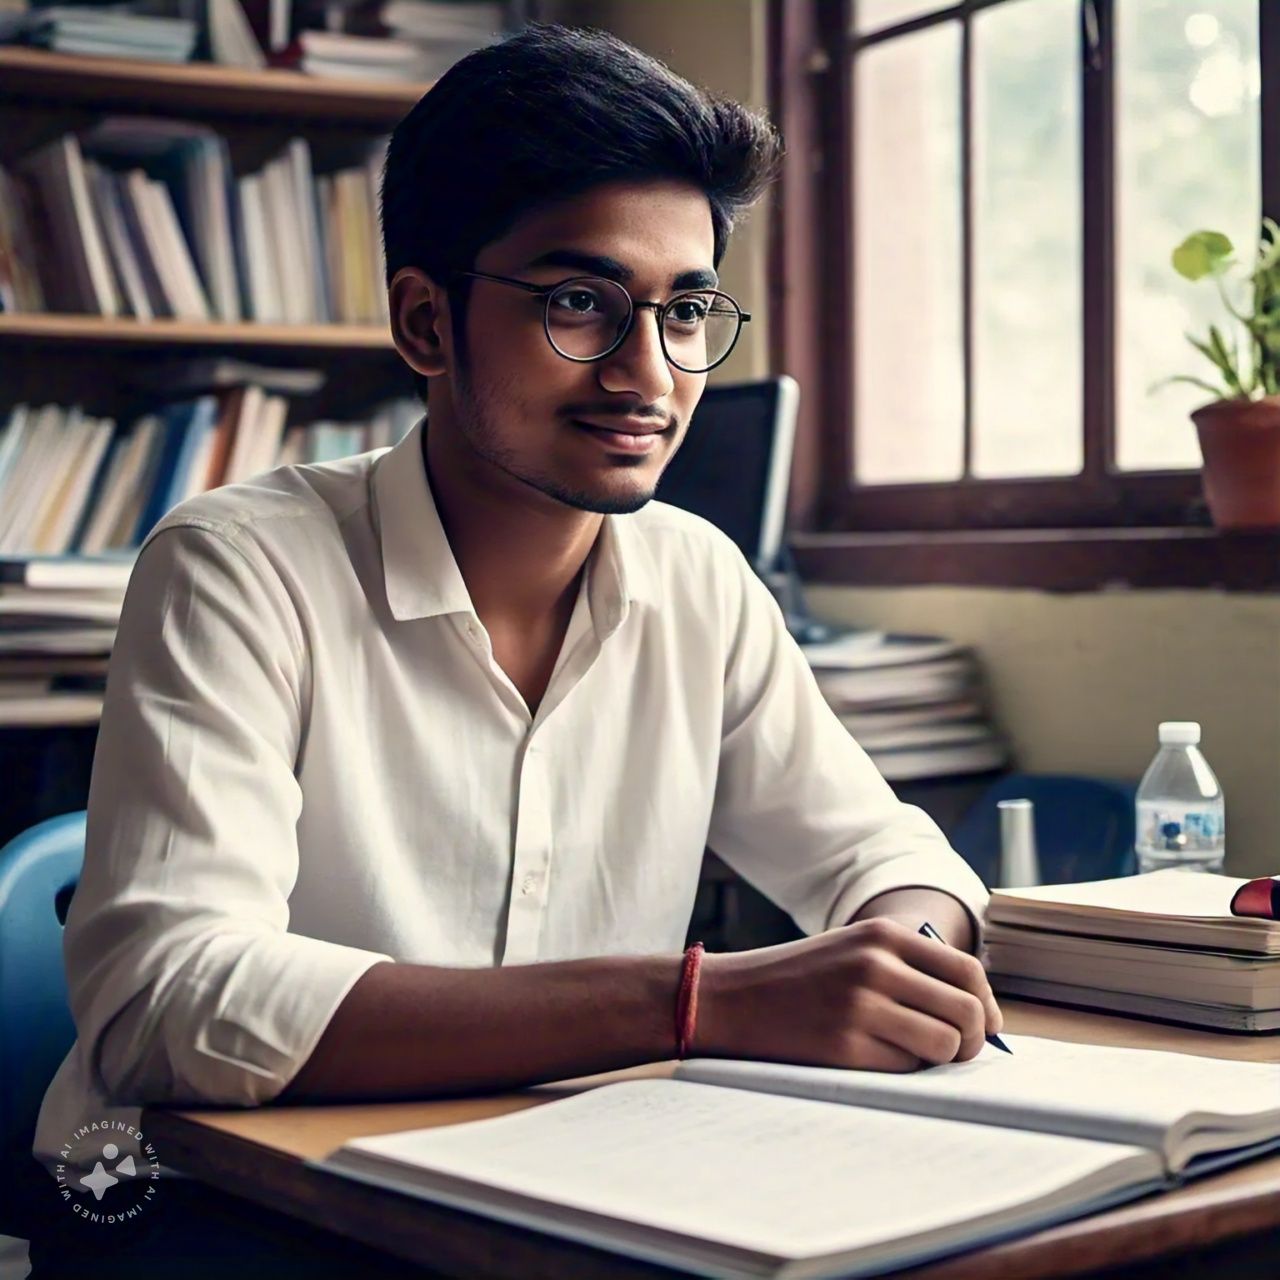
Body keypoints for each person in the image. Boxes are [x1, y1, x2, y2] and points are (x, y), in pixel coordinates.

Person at [28, 22, 999, 1275]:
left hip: (557, 1193)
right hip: (222, 1213)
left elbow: (886, 859)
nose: (648, 374)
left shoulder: (698, 578)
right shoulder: (236, 565)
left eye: (687, 308)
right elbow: (169, 1004)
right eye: (580, 302)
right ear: (425, 322)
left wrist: (897, 956)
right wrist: (701, 1002)